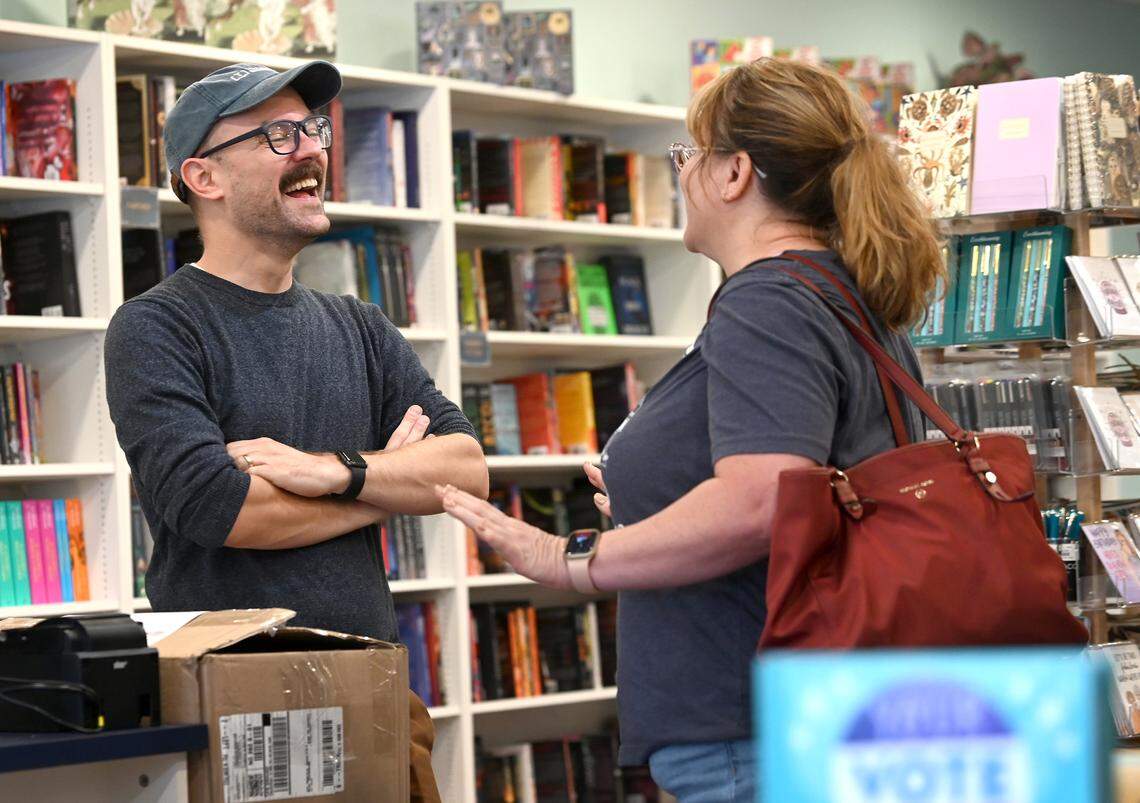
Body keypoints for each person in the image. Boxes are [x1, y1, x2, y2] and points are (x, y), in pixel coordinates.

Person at [436, 56, 944, 801]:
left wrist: (566, 556)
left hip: (751, 724)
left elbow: (760, 501)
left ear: (734, 173)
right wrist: (659, 493)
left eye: (689, 157)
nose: (683, 176)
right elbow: (816, 493)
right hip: (820, 709)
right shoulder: (848, 299)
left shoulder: (766, 301)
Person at [104, 61, 488, 802]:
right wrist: (389, 487)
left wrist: (335, 470)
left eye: (313, 130)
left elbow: (467, 469)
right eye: (277, 134)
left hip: (377, 688)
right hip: (232, 698)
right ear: (204, 177)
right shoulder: (155, 327)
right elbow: (226, 510)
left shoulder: (360, 325)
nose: (311, 148)